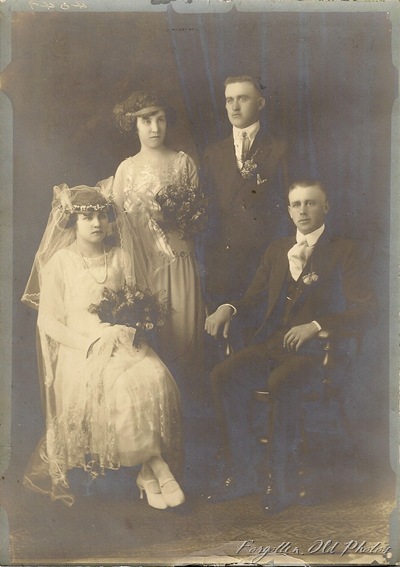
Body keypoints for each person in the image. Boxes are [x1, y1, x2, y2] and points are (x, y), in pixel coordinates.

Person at [205, 180, 377, 491]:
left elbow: (365, 310)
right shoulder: (277, 249)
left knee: (281, 381)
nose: (303, 210)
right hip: (273, 346)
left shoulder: (344, 250)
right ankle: (243, 469)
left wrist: (314, 325)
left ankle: (278, 478)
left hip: (319, 354)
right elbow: (253, 297)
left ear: (325, 207)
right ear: (288, 210)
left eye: (310, 203)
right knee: (222, 375)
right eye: (296, 204)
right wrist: (226, 308)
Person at [22, 183, 185, 509]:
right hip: (81, 349)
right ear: (73, 222)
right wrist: (88, 342)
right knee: (122, 386)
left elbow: (134, 306)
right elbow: (49, 322)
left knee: (154, 375)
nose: (97, 224)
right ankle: (156, 466)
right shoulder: (60, 263)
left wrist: (130, 326)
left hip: (121, 341)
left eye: (102, 216)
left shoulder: (121, 258)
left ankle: (148, 471)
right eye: (88, 218)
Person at [112, 90, 205, 394]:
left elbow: (199, 220)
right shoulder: (125, 169)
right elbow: (116, 227)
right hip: (142, 268)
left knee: (184, 336)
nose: (154, 128)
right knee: (151, 342)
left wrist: (165, 214)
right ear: (134, 125)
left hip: (178, 262)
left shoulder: (183, 164)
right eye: (146, 120)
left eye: (160, 120)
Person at [203, 75, 289, 315]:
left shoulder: (279, 148)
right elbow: (208, 212)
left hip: (263, 260)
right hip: (224, 262)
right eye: (229, 100)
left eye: (243, 98)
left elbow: (287, 207)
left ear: (260, 103)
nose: (235, 106)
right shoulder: (213, 153)